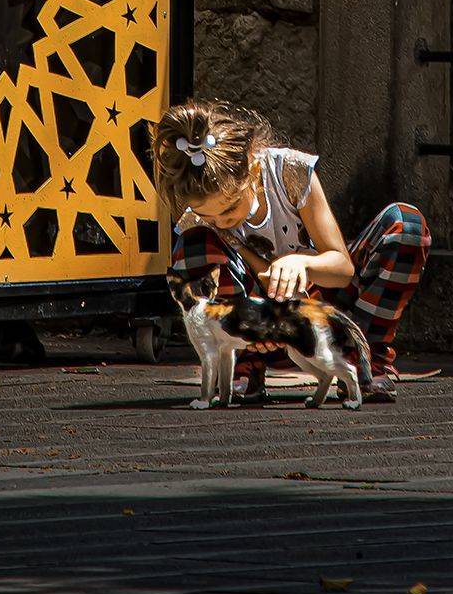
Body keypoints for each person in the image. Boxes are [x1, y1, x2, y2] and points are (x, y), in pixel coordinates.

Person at [153, 98, 430, 404]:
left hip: (318, 320)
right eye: (208, 215)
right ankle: (243, 368)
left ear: (253, 167)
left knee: (405, 223)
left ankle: (367, 360)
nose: (221, 222)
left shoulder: (289, 173)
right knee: (191, 241)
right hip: (256, 325)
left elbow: (342, 269)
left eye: (229, 209)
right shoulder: (203, 225)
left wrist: (302, 264)